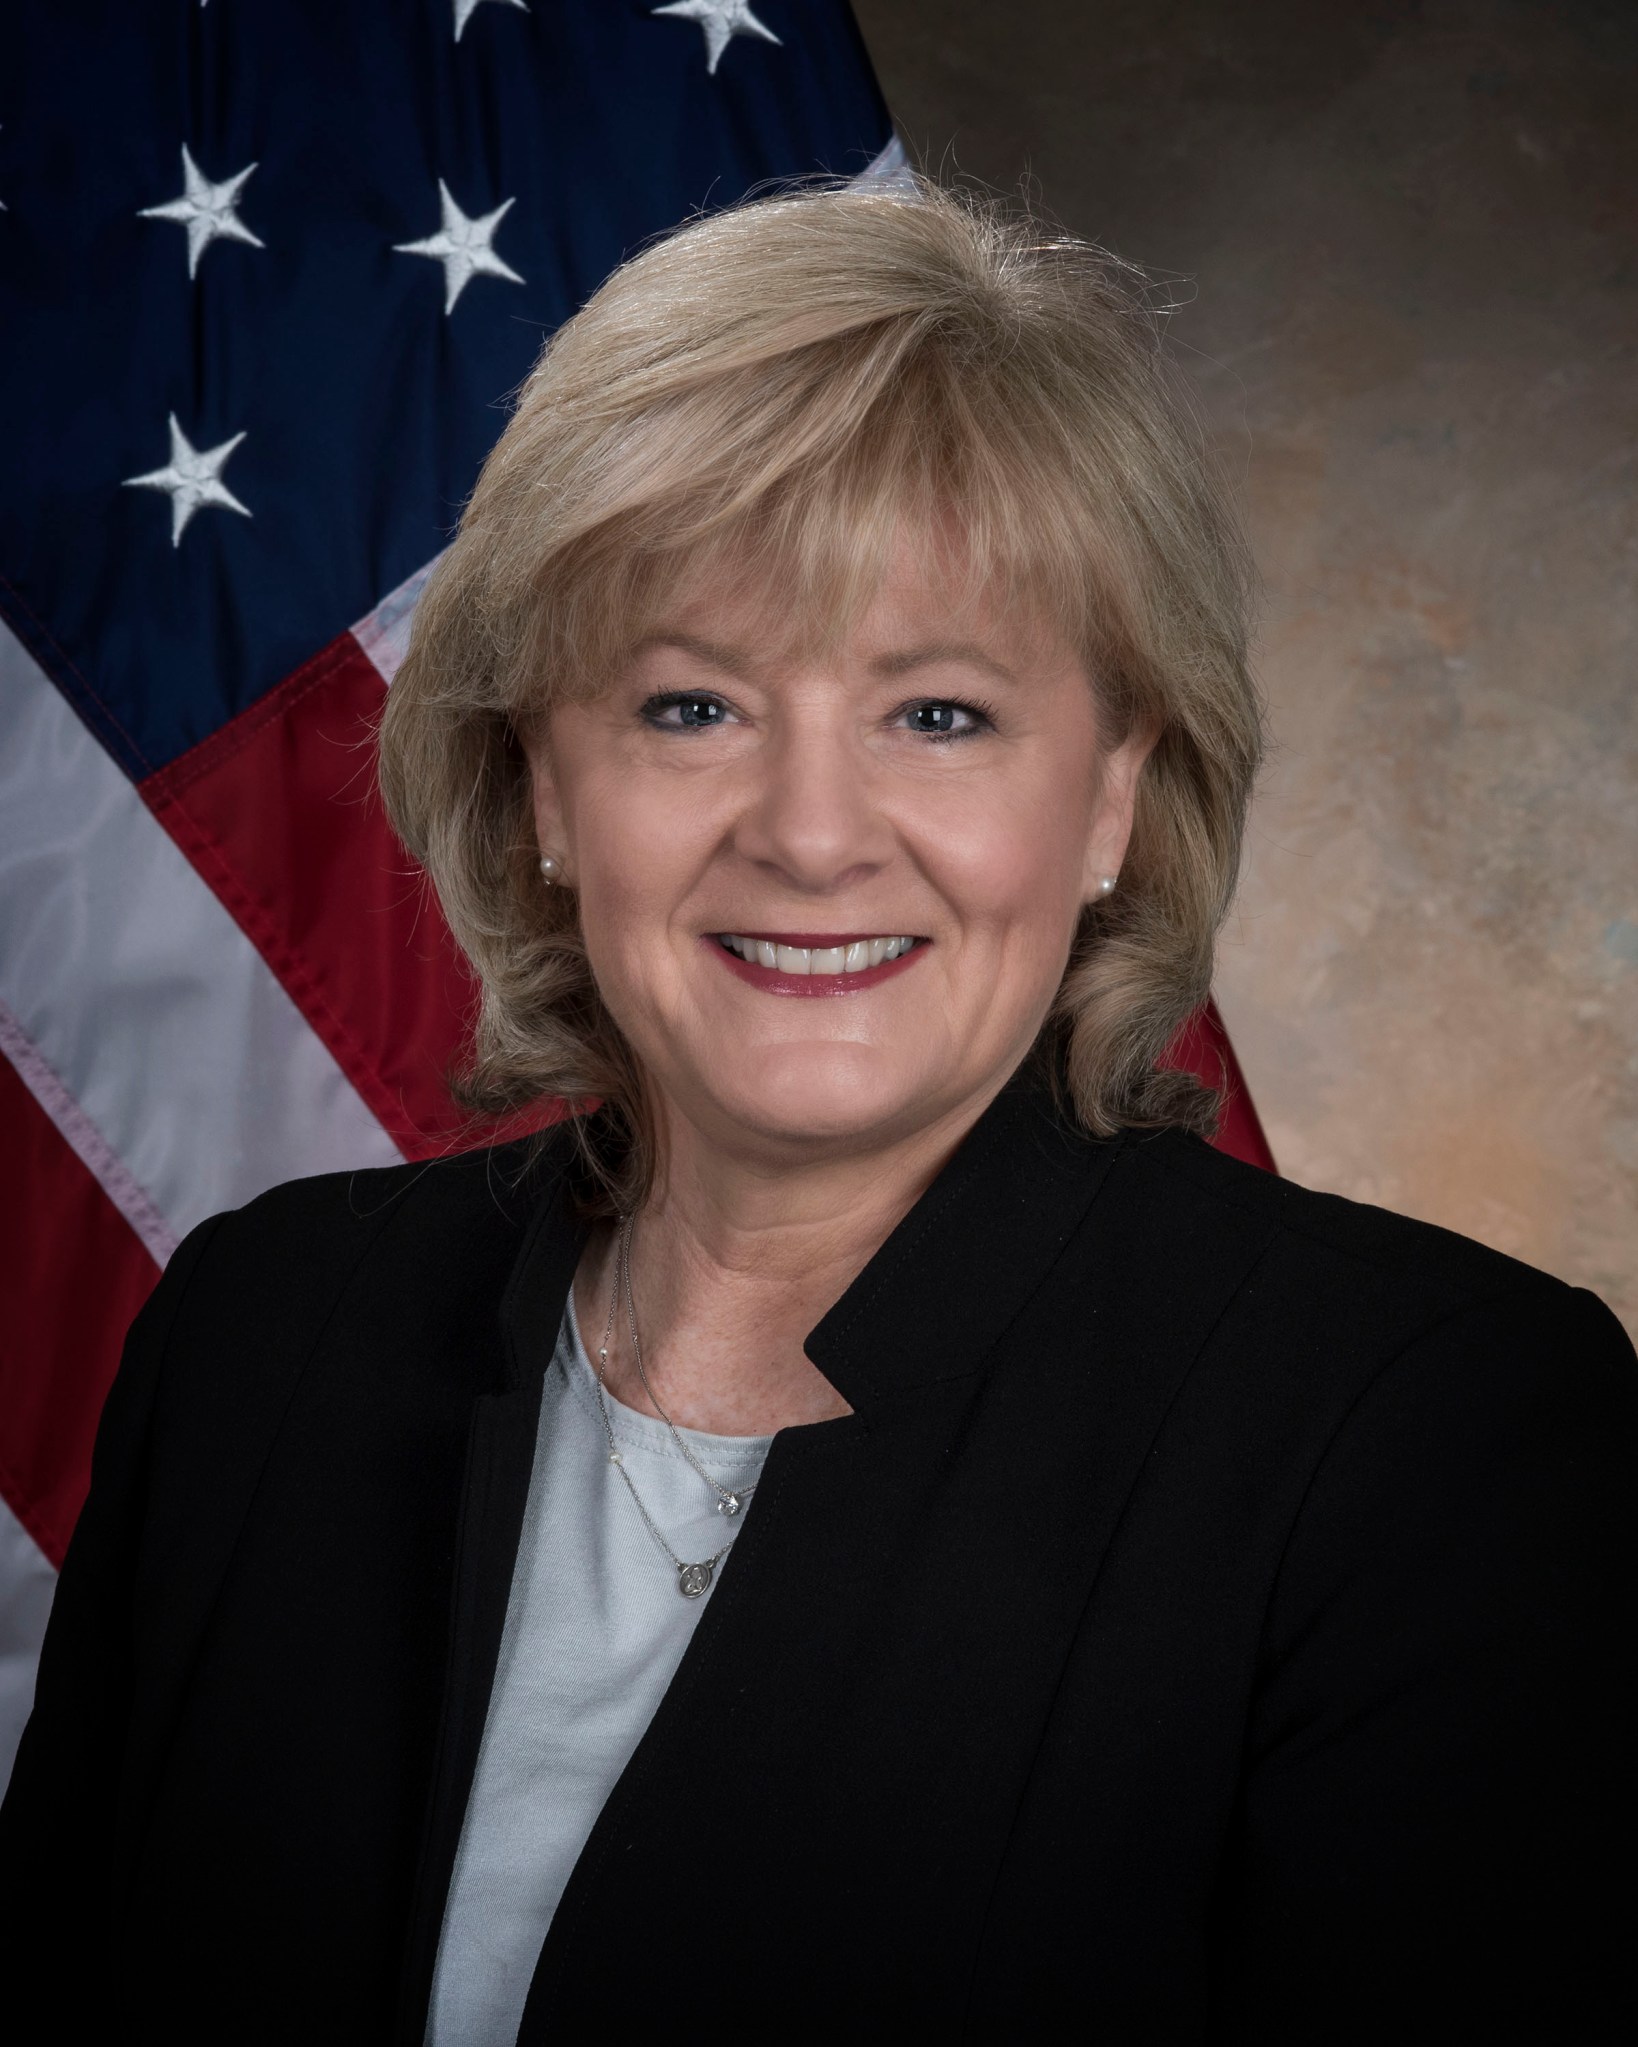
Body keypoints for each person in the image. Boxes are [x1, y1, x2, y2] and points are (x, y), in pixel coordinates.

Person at [2, 177, 1633, 2044]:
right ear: (539, 783)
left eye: (936, 714)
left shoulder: (1433, 1434)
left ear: (1110, 795)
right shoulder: (260, 1336)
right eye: (690, 707)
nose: (807, 831)